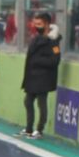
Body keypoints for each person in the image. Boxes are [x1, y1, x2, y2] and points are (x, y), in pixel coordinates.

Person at [19, 11, 60, 139]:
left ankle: (39, 129)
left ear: (47, 24)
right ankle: (29, 127)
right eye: (35, 23)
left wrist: (37, 61)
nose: (37, 26)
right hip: (32, 77)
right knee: (28, 101)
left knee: (41, 103)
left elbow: (55, 60)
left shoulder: (53, 42)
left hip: (44, 78)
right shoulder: (36, 38)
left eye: (39, 24)